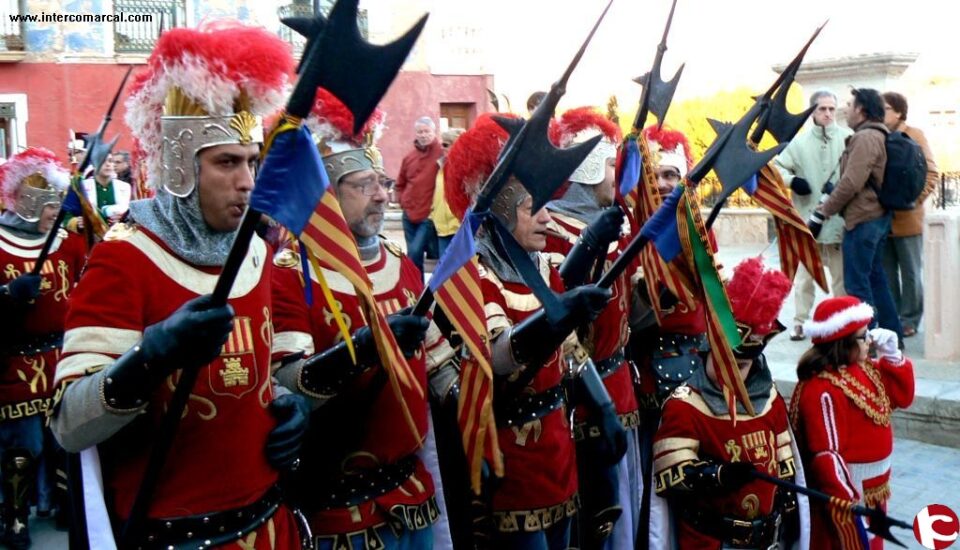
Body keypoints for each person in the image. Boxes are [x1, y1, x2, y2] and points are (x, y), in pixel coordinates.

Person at [49, 23, 308, 549]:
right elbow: (69, 423)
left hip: (268, 524)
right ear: (180, 167)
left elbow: (251, 374)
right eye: (227, 163)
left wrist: (285, 403)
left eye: (252, 161)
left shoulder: (254, 252)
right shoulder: (124, 257)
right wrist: (151, 356)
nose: (247, 182)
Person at [272, 88, 457, 550]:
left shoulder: (403, 264)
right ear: (329, 196)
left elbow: (441, 371)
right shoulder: (291, 275)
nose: (381, 196)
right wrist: (365, 349)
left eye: (383, 182)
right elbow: (291, 385)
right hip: (336, 504)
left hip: (411, 491)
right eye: (364, 184)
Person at [444, 113, 622, 550]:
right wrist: (554, 317)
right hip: (510, 452)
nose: (547, 216)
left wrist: (603, 405)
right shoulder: (475, 273)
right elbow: (499, 354)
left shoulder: (542, 268)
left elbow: (573, 353)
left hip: (556, 447)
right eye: (532, 207)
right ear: (502, 211)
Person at [653, 258, 802, 549]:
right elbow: (670, 477)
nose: (732, 373)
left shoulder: (769, 399)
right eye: (725, 361)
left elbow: (784, 462)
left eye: (742, 365)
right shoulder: (685, 405)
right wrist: (719, 475)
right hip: (711, 542)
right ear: (709, 350)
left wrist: (789, 508)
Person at [545, 107, 641, 549]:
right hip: (584, 393)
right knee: (596, 517)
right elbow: (558, 308)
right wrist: (588, 245)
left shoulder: (609, 219)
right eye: (607, 164)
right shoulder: (552, 227)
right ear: (586, 169)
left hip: (618, 380)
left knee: (624, 505)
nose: (615, 175)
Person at [0, 148, 85, 549]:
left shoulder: (69, 244)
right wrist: (7, 296)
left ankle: (68, 505)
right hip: (14, 362)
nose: (57, 211)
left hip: (60, 355)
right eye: (49, 204)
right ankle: (15, 518)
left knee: (61, 440)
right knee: (23, 447)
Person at [790, 295, 915, 549]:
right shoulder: (822, 388)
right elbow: (828, 455)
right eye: (863, 335)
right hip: (850, 499)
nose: (869, 340)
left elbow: (902, 397)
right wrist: (852, 509)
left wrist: (893, 356)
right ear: (843, 342)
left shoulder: (865, 368)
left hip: (875, 492)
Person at [809, 88, 903, 342]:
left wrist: (824, 212)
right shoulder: (873, 135)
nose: (845, 110)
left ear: (861, 110)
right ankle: (890, 336)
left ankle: (867, 341)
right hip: (874, 217)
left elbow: (851, 182)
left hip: (864, 220)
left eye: (850, 105)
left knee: (857, 284)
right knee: (876, 280)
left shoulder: (866, 138)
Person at [775, 90, 851, 340]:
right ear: (812, 112)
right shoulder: (798, 143)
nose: (828, 113)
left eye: (831, 108)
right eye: (822, 109)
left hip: (840, 222)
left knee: (841, 280)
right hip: (808, 223)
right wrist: (792, 180)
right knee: (804, 279)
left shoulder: (849, 138)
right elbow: (775, 168)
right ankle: (801, 323)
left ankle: (841, 322)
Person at [880, 92, 939, 338]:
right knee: (887, 272)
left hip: (908, 219)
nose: (881, 113)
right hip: (882, 219)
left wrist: (913, 200)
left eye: (885, 109)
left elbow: (931, 173)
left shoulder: (915, 135)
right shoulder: (878, 136)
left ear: (899, 112)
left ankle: (911, 318)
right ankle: (894, 316)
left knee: (911, 272)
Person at [396, 116, 442, 279]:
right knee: (412, 256)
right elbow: (400, 183)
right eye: (420, 132)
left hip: (428, 215)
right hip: (408, 214)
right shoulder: (409, 157)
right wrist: (403, 202)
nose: (423, 135)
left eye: (426, 131)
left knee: (415, 252)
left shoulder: (442, 154)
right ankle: (417, 293)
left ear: (434, 132)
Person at [67, 153, 132, 231]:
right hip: (90, 238)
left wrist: (123, 219)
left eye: (110, 161)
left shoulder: (125, 187)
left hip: (118, 237)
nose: (108, 164)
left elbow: (131, 214)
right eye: (102, 161)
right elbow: (66, 215)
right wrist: (77, 223)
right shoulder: (81, 186)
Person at [430, 128, 465, 258]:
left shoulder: (465, 168)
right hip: (442, 229)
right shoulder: (441, 167)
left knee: (461, 273)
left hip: (459, 229)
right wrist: (432, 214)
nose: (442, 148)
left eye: (445, 145)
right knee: (445, 273)